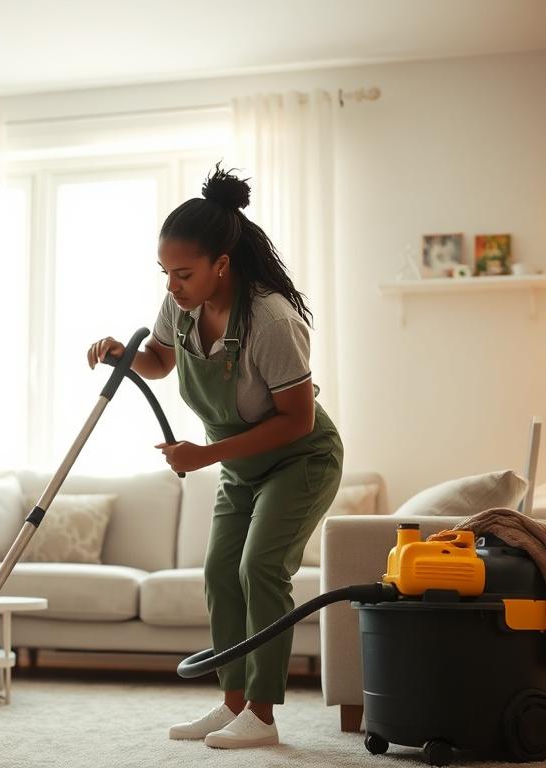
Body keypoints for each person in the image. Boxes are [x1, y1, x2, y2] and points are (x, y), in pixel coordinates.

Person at [86, 163, 343, 750]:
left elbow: (297, 420)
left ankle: (263, 713)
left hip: (301, 458)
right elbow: (159, 359)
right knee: (219, 572)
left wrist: (204, 454)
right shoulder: (180, 306)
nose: (172, 286)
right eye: (165, 273)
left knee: (260, 568)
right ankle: (232, 705)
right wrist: (117, 355)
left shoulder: (272, 319)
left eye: (183, 273)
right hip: (240, 464)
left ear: (220, 265)